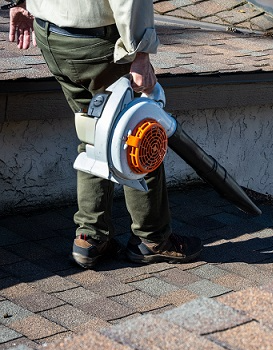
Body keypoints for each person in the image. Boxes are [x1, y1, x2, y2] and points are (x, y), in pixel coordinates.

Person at [7, 0, 202, 268]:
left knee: (94, 133)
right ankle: (152, 238)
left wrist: (18, 2)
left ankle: (90, 238)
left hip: (52, 35)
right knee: (140, 137)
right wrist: (141, 53)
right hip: (96, 43)